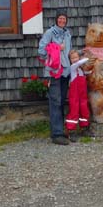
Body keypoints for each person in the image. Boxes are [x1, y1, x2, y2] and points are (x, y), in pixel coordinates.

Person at [38, 13, 73, 145]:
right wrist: (57, 48)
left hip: (65, 72)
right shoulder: (49, 33)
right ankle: (56, 134)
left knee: (62, 101)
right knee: (55, 102)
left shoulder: (67, 34)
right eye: (60, 18)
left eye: (64, 19)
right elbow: (41, 51)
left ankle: (60, 131)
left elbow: (68, 52)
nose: (62, 20)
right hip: (53, 72)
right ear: (56, 20)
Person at [65, 50, 90, 141]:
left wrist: (90, 71)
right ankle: (71, 131)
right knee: (74, 109)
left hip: (82, 94)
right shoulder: (72, 67)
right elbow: (83, 61)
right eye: (72, 58)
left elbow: (87, 72)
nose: (75, 59)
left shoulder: (80, 69)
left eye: (76, 57)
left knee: (84, 108)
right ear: (70, 60)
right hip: (74, 94)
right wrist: (85, 57)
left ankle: (84, 128)